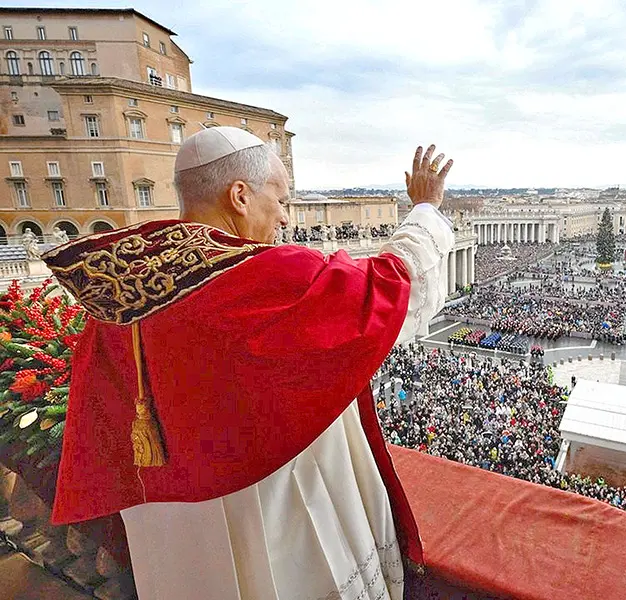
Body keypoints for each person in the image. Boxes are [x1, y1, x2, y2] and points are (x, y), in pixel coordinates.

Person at [42, 128, 457, 600]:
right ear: (239, 196)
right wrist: (425, 209)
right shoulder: (264, 275)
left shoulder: (121, 294)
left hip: (170, 524)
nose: (284, 217)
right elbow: (393, 288)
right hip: (272, 507)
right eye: (279, 200)